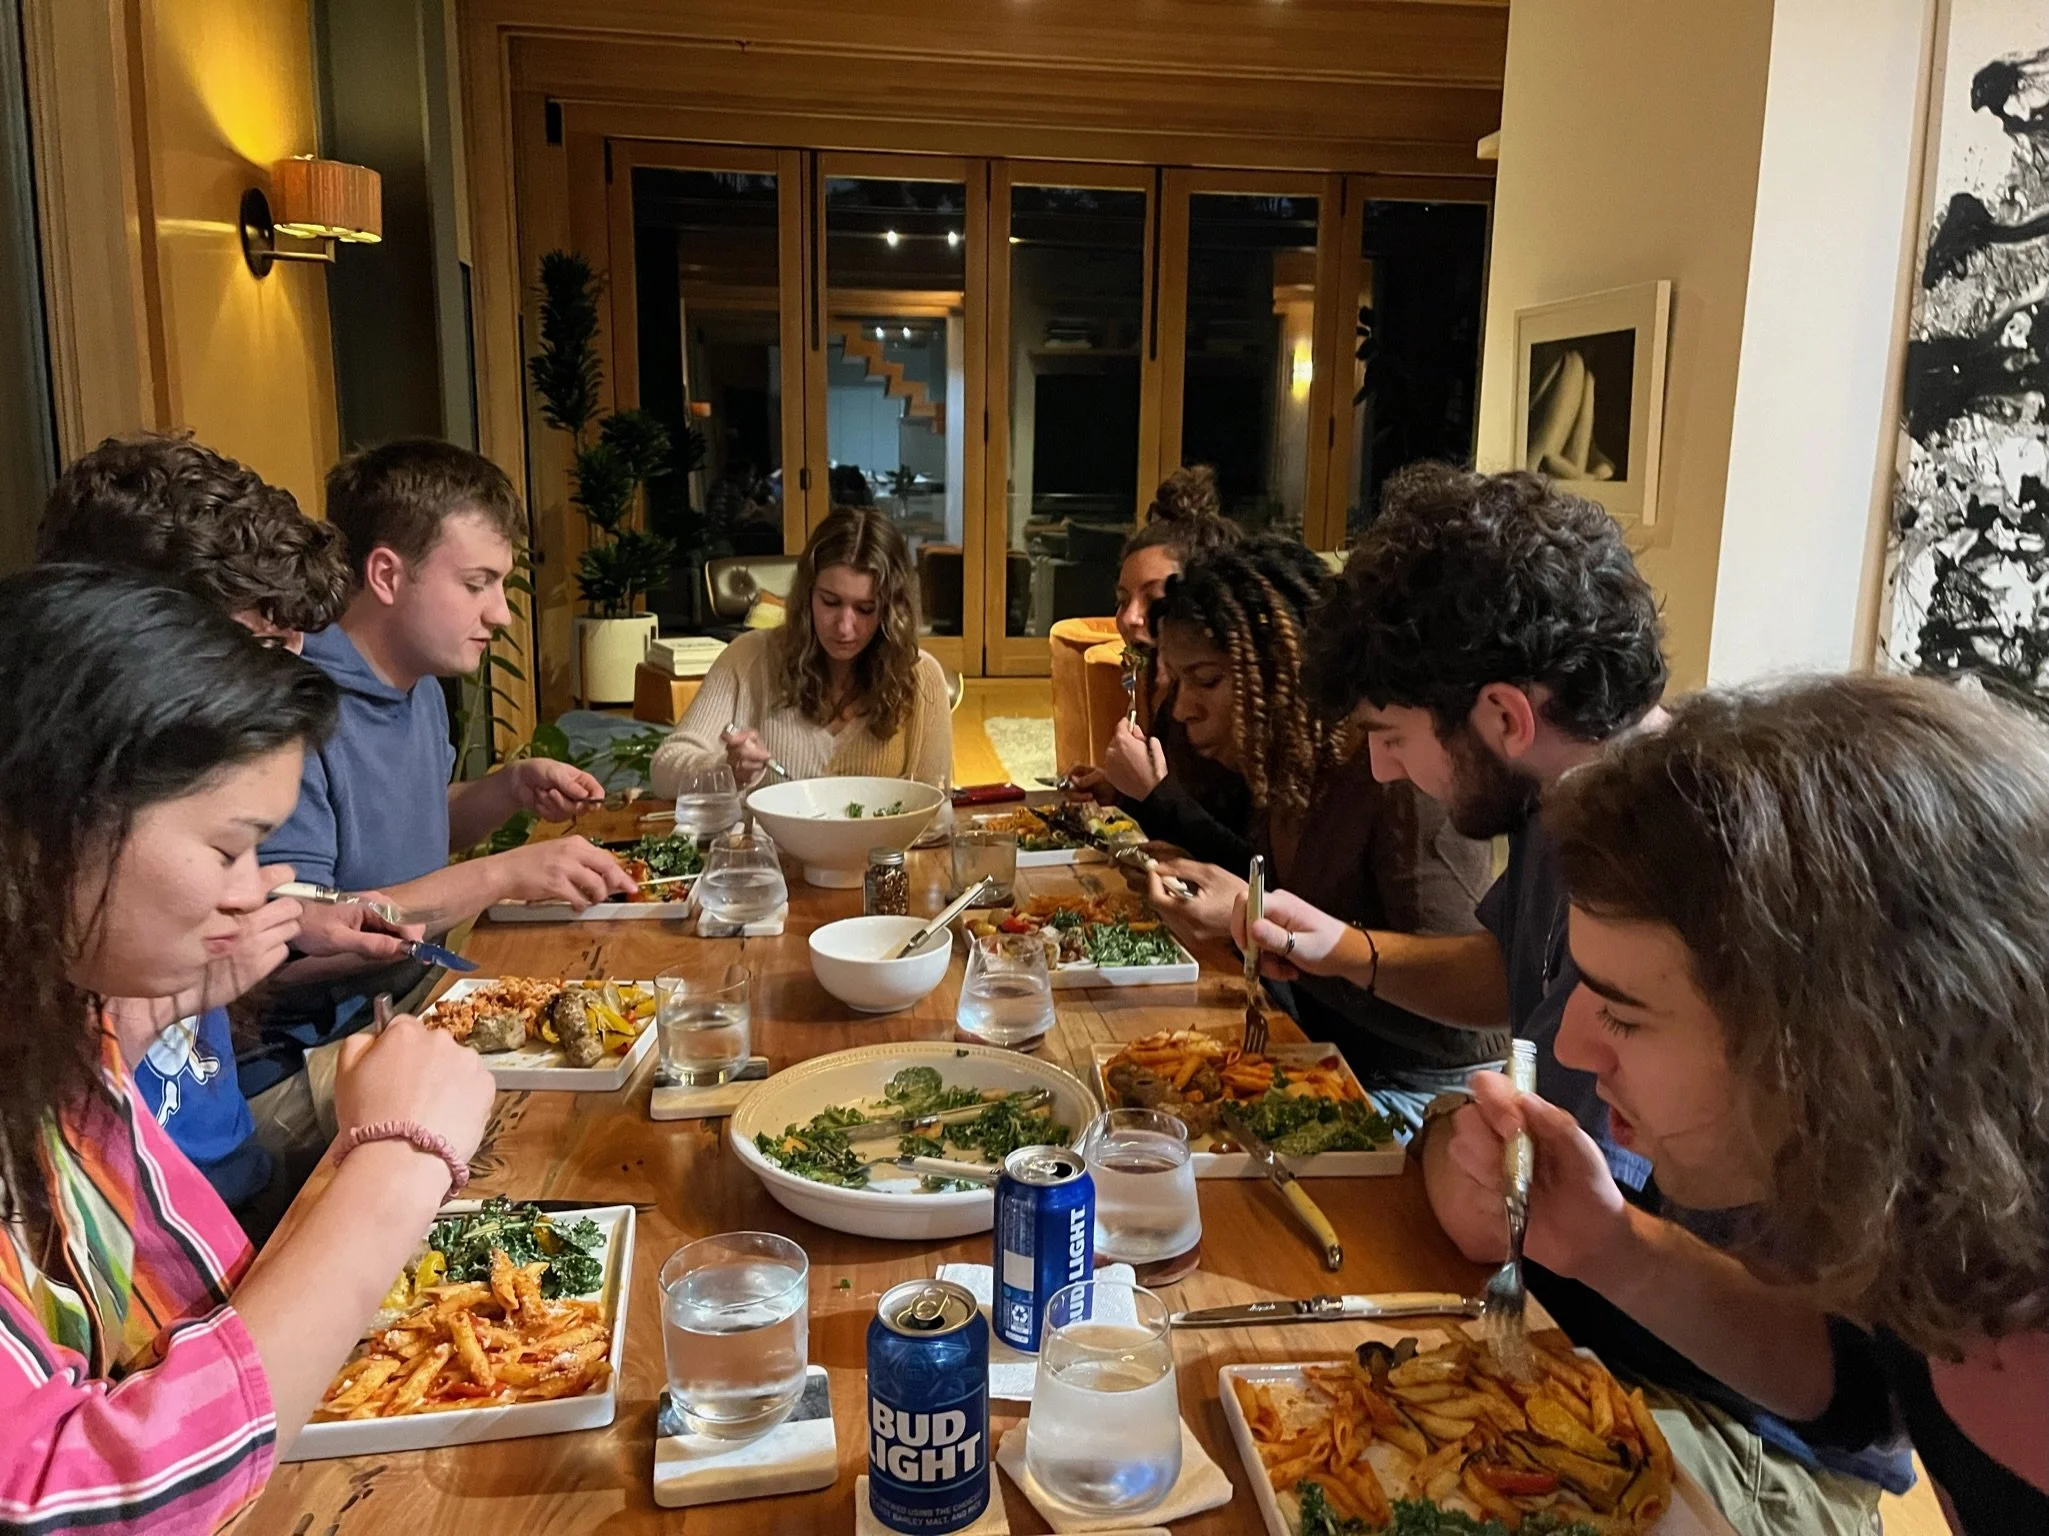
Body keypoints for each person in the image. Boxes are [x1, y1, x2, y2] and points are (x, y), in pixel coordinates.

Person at [1238, 464, 1905, 1533]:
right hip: (1583, 1298)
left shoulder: (1739, 879)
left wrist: (1582, 1236)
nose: (1381, 769)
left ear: (1503, 713)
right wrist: (1350, 952)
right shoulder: (1571, 813)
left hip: (1736, 1416)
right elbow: (1517, 982)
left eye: (1389, 733)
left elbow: (1857, 1388)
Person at [1453, 675, 2047, 1533]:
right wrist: (1612, 1248)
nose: (1576, 1046)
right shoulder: (1931, 1221)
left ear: (1838, 1044)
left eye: (1622, 1008)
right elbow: (1855, 1391)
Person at [0, 565, 495, 1531]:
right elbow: (62, 1503)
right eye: (228, 848)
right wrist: (397, 1161)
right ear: (55, 825)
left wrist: (163, 1004)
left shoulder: (58, 1029)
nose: (256, 889)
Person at [35, 433, 422, 1214]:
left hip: (238, 1198)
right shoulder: (64, 897)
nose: (288, 688)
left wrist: (298, 924)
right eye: (263, 651)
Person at [1123, 537, 1495, 1125]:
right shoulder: (1292, 759)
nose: (1186, 709)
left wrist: (1256, 923)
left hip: (1424, 1087)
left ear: (1283, 669)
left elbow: (1456, 1026)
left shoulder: (1395, 775)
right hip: (1329, 1052)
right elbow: (1302, 894)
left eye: (1208, 681)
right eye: (1178, 682)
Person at [650, 505, 952, 795]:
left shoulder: (920, 677)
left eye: (865, 609)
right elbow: (664, 770)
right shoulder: (750, 656)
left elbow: (935, 809)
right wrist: (724, 769)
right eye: (830, 602)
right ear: (807, 594)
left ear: (891, 610)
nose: (844, 627)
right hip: (769, 849)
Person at [1068, 465, 1251, 853]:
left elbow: (1249, 869)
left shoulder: (1240, 709)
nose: (1130, 617)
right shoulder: (1162, 690)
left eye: (1153, 599)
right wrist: (1122, 793)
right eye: (1122, 600)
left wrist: (1151, 793)